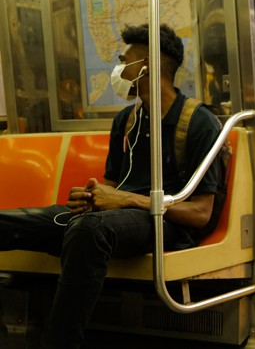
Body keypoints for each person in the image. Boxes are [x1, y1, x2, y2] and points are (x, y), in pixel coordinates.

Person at [0, 24, 223, 348]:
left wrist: (125, 200)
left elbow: (201, 213)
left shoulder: (199, 122)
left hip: (165, 223)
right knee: (9, 223)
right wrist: (94, 197)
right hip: (115, 218)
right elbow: (113, 185)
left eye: (124, 60)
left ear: (145, 66)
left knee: (89, 231)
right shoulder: (127, 121)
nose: (118, 68)